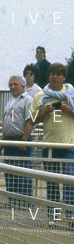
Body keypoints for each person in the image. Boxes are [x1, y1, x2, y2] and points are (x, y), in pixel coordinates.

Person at [22, 62, 74, 219]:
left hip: (69, 145)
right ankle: (53, 215)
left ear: (64, 77)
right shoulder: (40, 96)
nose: (54, 77)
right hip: (49, 145)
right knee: (51, 182)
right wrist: (44, 113)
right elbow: (32, 120)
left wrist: (71, 110)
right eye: (52, 74)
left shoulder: (71, 94)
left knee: (69, 180)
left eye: (58, 74)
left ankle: (70, 215)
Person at [0, 76, 35, 198]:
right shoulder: (10, 102)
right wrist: (1, 143)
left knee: (23, 173)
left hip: (20, 140)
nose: (12, 87)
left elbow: (30, 121)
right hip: (9, 141)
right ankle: (12, 201)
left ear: (23, 86)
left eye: (15, 84)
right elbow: (8, 124)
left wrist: (24, 140)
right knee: (9, 173)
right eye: (10, 85)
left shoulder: (28, 100)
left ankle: (24, 202)